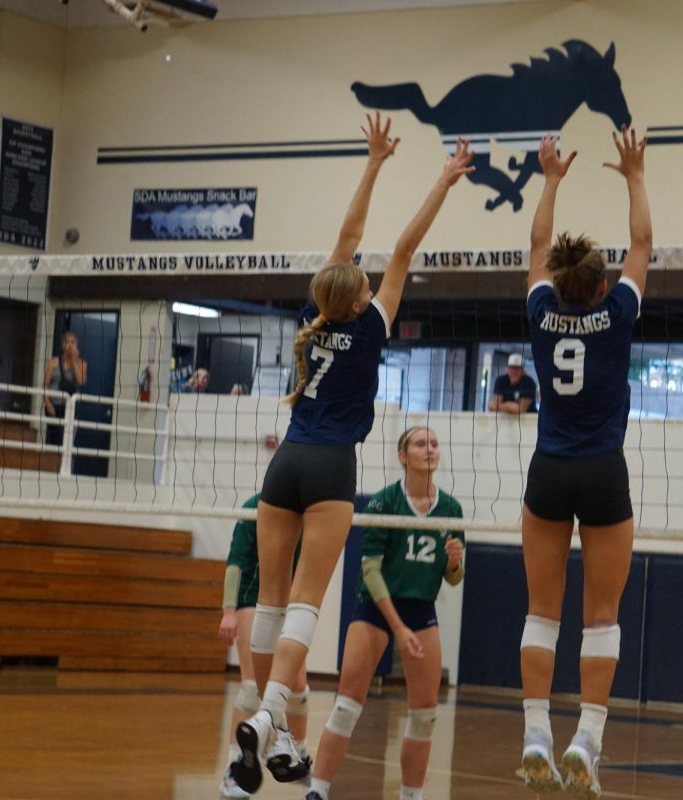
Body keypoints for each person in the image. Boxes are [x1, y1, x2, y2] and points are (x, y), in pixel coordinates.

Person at [228, 114, 472, 794]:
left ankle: (258, 709)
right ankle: (275, 711)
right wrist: (445, 180)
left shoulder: (320, 318)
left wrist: (372, 162)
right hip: (333, 464)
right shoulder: (370, 325)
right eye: (365, 281)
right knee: (307, 598)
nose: (369, 279)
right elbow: (403, 246)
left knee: (270, 598)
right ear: (360, 295)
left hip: (286, 463)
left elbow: (351, 241)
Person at [517, 128, 650, 799]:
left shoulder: (542, 314)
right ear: (603, 286)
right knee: (603, 614)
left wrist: (550, 178)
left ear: (564, 284)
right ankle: (586, 740)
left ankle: (535, 731)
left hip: (549, 469)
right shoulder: (619, 314)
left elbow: (537, 248)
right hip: (604, 472)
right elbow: (646, 246)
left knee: (543, 611)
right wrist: (634, 173)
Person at [306, 426, 465, 800]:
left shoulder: (452, 509)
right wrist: (398, 626)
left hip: (421, 608)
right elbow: (371, 571)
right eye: (421, 443)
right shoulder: (382, 502)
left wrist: (455, 564)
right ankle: (317, 791)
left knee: (425, 716)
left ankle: (411, 795)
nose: (430, 449)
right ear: (403, 455)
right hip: (377, 607)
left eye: (434, 443)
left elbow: (453, 578)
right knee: (346, 706)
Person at [217, 493, 310, 799]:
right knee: (251, 687)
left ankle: (300, 754)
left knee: (298, 689)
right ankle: (235, 769)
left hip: (291, 601)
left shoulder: (311, 509)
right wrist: (229, 611)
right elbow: (235, 562)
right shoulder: (255, 507)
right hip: (251, 598)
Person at [42, 330, 88, 447]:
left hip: (71, 408)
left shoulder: (82, 363)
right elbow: (45, 385)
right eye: (67, 342)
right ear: (62, 345)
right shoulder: (53, 362)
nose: (70, 345)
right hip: (54, 407)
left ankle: (67, 464)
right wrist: (47, 404)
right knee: (54, 440)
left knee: (67, 443)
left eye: (73, 342)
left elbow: (80, 381)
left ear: (76, 345)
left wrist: (73, 360)